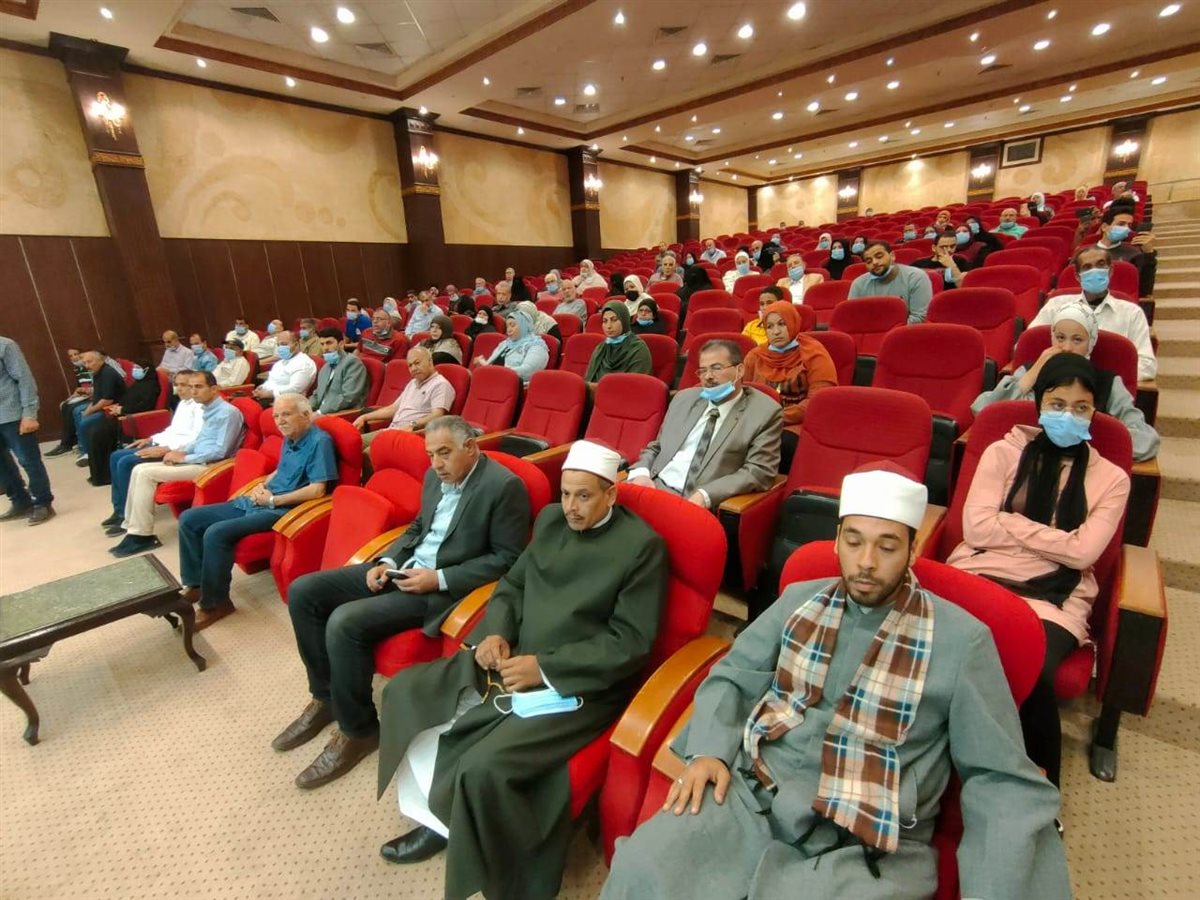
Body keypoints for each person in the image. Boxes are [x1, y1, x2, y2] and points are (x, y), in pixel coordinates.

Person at [603, 464, 1071, 900]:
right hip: (752, 796)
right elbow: (733, 675)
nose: (866, 561)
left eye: (887, 546)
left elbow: (1000, 777)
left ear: (913, 549)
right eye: (854, 541)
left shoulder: (962, 640)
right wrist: (709, 750)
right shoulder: (798, 601)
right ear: (836, 542)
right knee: (643, 869)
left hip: (866, 841)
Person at [374, 440, 669, 900]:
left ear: (611, 493)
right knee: (407, 694)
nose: (570, 507)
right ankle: (440, 817)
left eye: (584, 496)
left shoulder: (642, 548)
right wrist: (497, 631)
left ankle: (475, 849)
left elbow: (630, 643)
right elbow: (513, 585)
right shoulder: (550, 521)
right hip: (514, 653)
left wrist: (544, 669)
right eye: (565, 494)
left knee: (482, 765)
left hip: (579, 682)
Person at [277, 416, 531, 788]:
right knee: (304, 592)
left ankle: (359, 731)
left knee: (344, 622)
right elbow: (418, 528)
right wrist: (387, 560)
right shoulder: (434, 476)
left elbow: (507, 559)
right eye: (431, 455)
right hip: (404, 569)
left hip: (441, 590)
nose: (436, 464)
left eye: (444, 453)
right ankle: (326, 697)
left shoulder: (504, 487)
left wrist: (438, 578)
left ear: (470, 447)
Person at [949, 354, 1130, 793]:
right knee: (932, 647)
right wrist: (1057, 540)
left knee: (1029, 669)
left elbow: (1084, 553)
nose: (1068, 415)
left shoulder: (1111, 479)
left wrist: (1008, 522)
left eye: (1081, 408)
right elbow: (976, 529)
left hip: (1054, 597)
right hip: (979, 572)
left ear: (1095, 411)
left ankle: (1037, 787)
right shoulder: (1003, 451)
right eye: (1057, 403)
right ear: (1039, 403)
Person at [177, 394, 337, 630]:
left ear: (305, 415)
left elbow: (317, 490)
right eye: (276, 416)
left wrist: (273, 500)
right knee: (189, 518)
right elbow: (281, 470)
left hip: (285, 510)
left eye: (286, 414)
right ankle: (195, 584)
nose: (280, 421)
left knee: (216, 532)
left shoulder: (319, 442)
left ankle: (217, 604)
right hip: (262, 499)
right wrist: (262, 484)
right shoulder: (291, 436)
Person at [973, 300, 1159, 461]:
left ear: (1090, 343)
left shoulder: (1108, 383)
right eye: (1060, 338)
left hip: (1083, 466)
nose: (1067, 347)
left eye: (1077, 340)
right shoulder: (1030, 372)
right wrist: (1034, 372)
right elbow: (983, 412)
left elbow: (1146, 442)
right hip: (1022, 459)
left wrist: (1079, 432)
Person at [629, 339, 782, 508]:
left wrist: (706, 494)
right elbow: (657, 447)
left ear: (739, 370)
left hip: (700, 501)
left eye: (716, 368)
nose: (708, 376)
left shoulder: (764, 412)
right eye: (702, 370)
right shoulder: (683, 399)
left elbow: (759, 472)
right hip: (654, 488)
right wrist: (641, 473)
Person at [109, 371, 245, 557]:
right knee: (138, 469)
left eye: (199, 387)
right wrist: (181, 451)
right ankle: (132, 528)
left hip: (211, 466)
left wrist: (184, 458)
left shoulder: (227, 413)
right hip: (197, 458)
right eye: (191, 387)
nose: (193, 391)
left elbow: (220, 451)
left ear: (214, 389)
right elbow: (199, 441)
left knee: (146, 474)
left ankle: (141, 536)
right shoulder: (208, 409)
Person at [1030, 247, 1156, 381]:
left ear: (1110, 271)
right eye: (1087, 267)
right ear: (1078, 276)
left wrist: (1097, 380)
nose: (1095, 271)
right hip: (1058, 383)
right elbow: (1027, 346)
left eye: (1101, 265)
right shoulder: (1055, 305)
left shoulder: (1132, 313)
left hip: (1108, 389)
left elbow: (1147, 366)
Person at [100, 371, 203, 533]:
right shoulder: (183, 404)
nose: (179, 389)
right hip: (164, 443)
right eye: (177, 385)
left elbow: (194, 438)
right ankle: (119, 509)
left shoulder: (200, 407)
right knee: (116, 456)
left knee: (126, 462)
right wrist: (150, 439)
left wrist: (165, 448)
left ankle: (126, 515)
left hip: (175, 449)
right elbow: (173, 430)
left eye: (184, 385)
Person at [742, 301, 837, 425]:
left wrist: (775, 417)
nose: (776, 332)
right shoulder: (755, 356)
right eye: (769, 326)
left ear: (793, 323)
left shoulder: (814, 353)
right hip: (759, 422)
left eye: (782, 324)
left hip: (801, 423)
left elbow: (818, 400)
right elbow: (742, 395)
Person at [0, 336, 54, 525]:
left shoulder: (5, 345)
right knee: (2, 465)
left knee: (28, 461)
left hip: (12, 413)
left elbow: (25, 379)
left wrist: (29, 413)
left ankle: (43, 502)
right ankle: (20, 502)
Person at [83, 358, 160, 486]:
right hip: (123, 415)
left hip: (133, 419)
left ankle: (105, 476)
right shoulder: (138, 383)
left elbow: (146, 406)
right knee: (94, 430)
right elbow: (127, 399)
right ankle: (99, 475)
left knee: (99, 433)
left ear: (147, 370)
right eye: (135, 368)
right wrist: (118, 407)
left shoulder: (151, 385)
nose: (135, 370)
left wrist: (123, 410)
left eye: (139, 368)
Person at [355, 347, 455, 444]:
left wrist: (412, 424)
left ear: (430, 361)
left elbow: (437, 416)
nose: (413, 368)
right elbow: (393, 409)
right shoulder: (412, 383)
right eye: (410, 365)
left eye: (417, 363)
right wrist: (364, 417)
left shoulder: (440, 384)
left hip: (409, 435)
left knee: (363, 450)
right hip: (391, 431)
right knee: (353, 441)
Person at [1080, 202, 1157, 296]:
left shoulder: (1134, 253)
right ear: (1104, 227)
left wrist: (1149, 253)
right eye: (1121, 224)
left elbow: (1144, 291)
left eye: (1129, 225)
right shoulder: (1083, 253)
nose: (1126, 229)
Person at [848, 240, 932, 324]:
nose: (874, 262)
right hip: (869, 330)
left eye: (879, 256)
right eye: (869, 261)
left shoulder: (915, 277)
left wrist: (889, 330)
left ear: (892, 256)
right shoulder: (858, 284)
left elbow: (919, 317)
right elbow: (852, 317)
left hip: (905, 330)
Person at [72, 349, 126, 466]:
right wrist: (88, 409)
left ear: (100, 360)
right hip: (102, 405)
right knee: (77, 411)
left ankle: (88, 453)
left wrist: (89, 411)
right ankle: (84, 448)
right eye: (85, 363)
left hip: (113, 408)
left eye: (90, 362)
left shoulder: (108, 373)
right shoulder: (96, 373)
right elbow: (97, 396)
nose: (87, 366)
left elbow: (107, 400)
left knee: (85, 422)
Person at [475, 308, 549, 385]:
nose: (508, 330)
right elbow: (493, 365)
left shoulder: (537, 346)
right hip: (493, 381)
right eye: (507, 326)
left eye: (512, 325)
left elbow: (528, 371)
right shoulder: (505, 343)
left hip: (512, 385)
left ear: (524, 325)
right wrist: (484, 365)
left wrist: (496, 372)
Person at [585, 301, 653, 382]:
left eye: (614, 320)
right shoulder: (601, 348)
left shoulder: (638, 348)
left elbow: (635, 384)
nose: (608, 326)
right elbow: (588, 379)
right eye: (605, 321)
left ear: (624, 320)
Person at [312, 328, 368, 416]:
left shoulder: (352, 363)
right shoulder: (325, 367)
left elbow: (348, 397)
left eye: (329, 343)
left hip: (341, 413)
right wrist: (305, 409)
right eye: (322, 344)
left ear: (341, 344)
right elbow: (317, 394)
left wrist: (319, 413)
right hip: (321, 412)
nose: (325, 348)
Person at [251, 330, 317, 405]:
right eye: (278, 345)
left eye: (284, 344)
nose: (280, 348)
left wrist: (271, 393)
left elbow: (296, 389)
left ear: (296, 344)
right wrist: (262, 387)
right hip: (269, 399)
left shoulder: (304, 363)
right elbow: (272, 381)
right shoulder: (280, 363)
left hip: (290, 403)